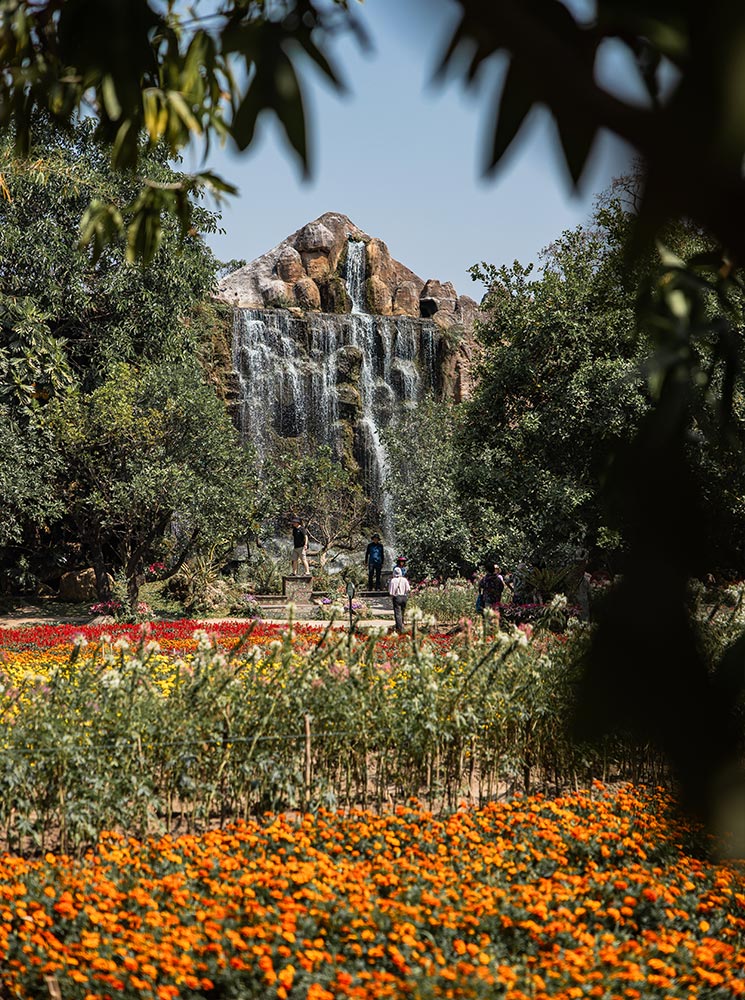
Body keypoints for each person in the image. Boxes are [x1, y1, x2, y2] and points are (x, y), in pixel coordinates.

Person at [388, 565, 411, 633]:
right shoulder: (404, 579)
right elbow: (408, 589)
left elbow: (390, 592)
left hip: (397, 597)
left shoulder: (393, 580)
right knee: (402, 612)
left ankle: (399, 628)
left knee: (397, 613)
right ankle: (402, 624)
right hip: (404, 597)